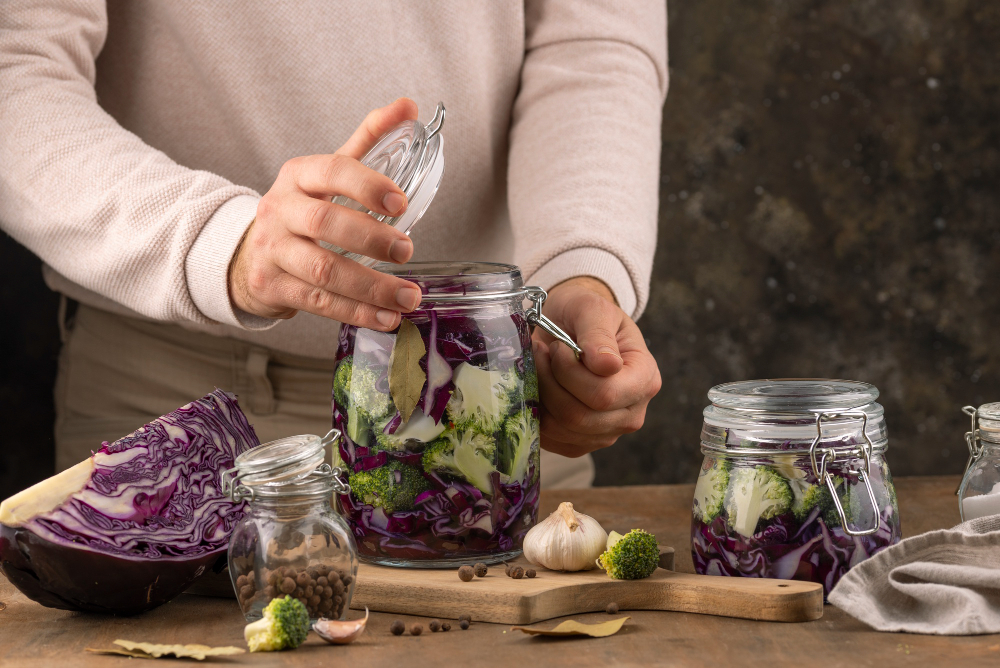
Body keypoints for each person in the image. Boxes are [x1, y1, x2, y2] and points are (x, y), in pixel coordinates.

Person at [0, 1, 666, 489]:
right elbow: (15, 67)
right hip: (176, 399)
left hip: (492, 394)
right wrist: (219, 244)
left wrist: (580, 274)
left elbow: (593, 44)